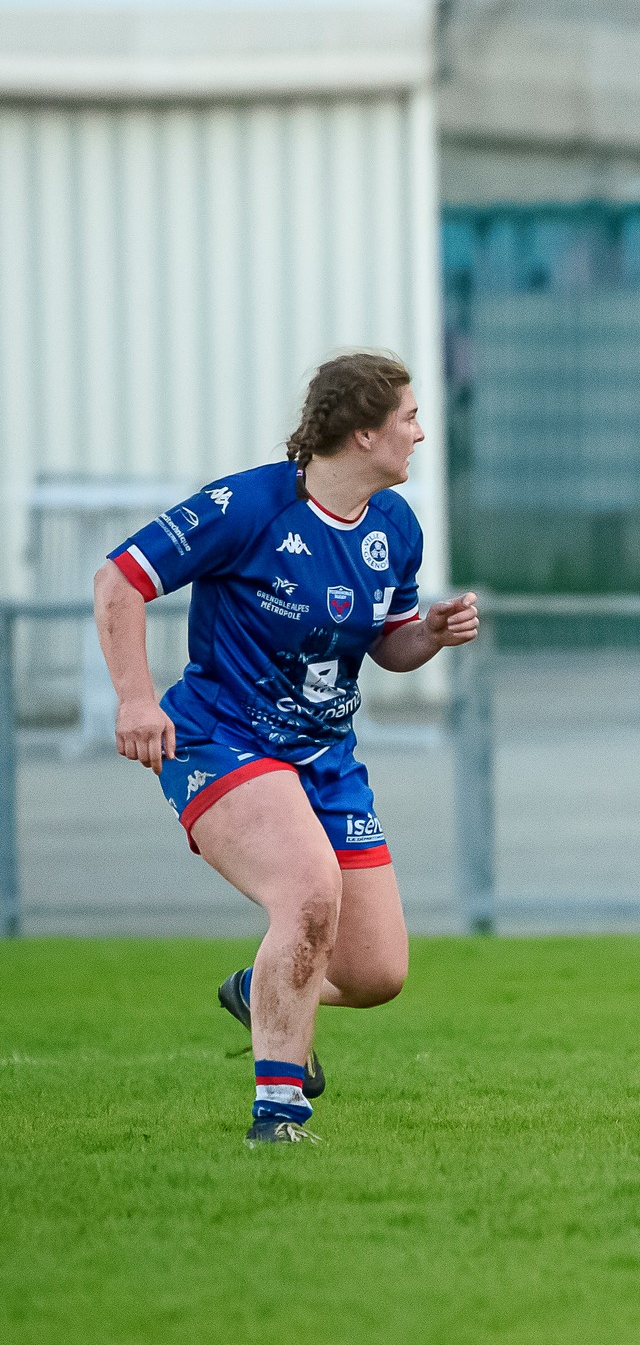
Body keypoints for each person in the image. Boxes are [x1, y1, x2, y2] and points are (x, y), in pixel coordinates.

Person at [94, 352, 480, 1146]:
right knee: (307, 892)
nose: (419, 432)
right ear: (362, 431)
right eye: (407, 417)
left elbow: (387, 647)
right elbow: (119, 579)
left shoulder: (393, 526)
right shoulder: (250, 504)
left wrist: (430, 633)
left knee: (376, 973)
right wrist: (135, 696)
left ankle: (259, 986)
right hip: (219, 738)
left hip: (325, 757)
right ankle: (278, 1114)